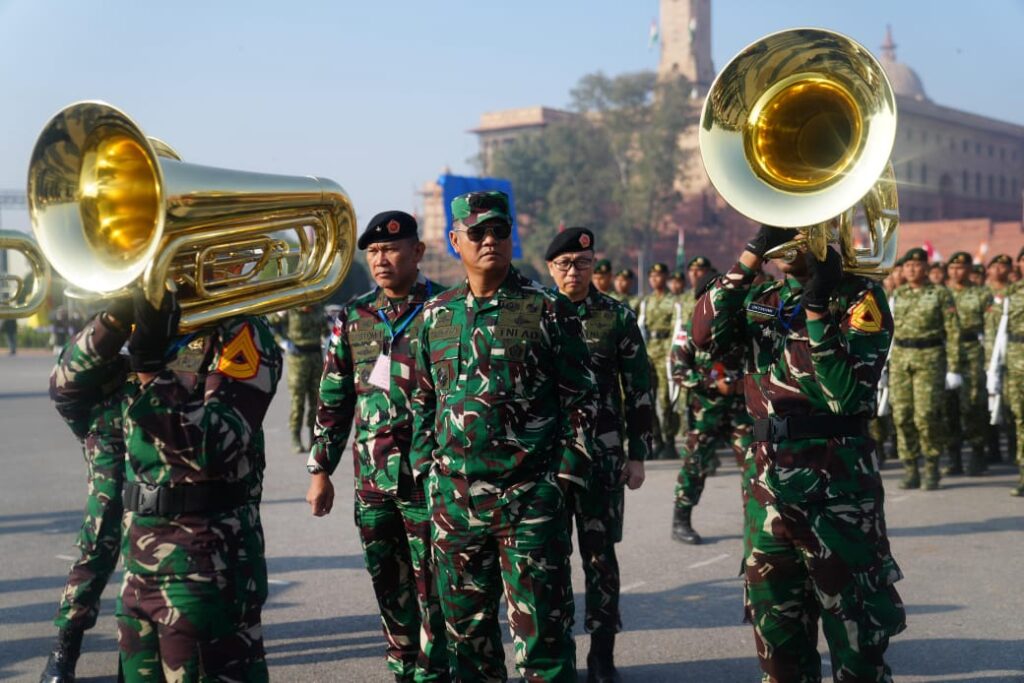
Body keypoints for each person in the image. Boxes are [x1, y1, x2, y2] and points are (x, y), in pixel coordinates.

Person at [692, 225, 906, 681]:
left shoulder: (858, 297)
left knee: (857, 652)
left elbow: (846, 397)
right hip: (768, 496)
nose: (790, 232)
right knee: (779, 652)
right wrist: (752, 250)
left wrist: (815, 309)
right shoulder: (761, 296)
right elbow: (702, 335)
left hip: (840, 496)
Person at [410, 190, 597, 682]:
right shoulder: (435, 316)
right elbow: (423, 402)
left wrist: (561, 483)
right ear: (455, 241)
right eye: (477, 232)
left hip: (529, 500)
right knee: (467, 642)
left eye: (500, 231)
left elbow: (582, 399)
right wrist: (427, 474)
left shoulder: (547, 308)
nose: (490, 240)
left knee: (543, 642)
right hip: (455, 507)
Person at [50, 288, 282, 681]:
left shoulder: (238, 329)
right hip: (141, 562)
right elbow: (64, 387)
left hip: (208, 564)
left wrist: (151, 369)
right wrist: (113, 320)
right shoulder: (142, 325)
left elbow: (213, 445)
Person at [305, 210, 449, 682]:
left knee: (435, 587)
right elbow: (334, 396)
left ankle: (435, 672)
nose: (381, 260)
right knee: (388, 585)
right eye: (372, 252)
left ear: (417, 252)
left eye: (390, 249)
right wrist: (320, 469)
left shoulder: (447, 309)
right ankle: (403, 669)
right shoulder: (355, 316)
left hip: (430, 481)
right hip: (373, 482)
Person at [544, 228, 653, 683]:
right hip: (544, 459)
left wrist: (638, 454)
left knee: (599, 560)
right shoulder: (534, 315)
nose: (574, 271)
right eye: (565, 264)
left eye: (583, 263)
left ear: (594, 266)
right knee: (545, 560)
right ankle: (552, 654)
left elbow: (640, 387)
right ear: (550, 268)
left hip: (602, 460)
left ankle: (602, 653)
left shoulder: (616, 317)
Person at [40, 393, 124, 683]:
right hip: (114, 428)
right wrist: (92, 428)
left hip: (172, 426)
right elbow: (66, 383)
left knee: (159, 540)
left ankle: (142, 649)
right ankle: (66, 645)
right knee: (100, 540)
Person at [670, 269, 752, 545]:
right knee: (695, 465)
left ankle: (756, 521)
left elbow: (760, 365)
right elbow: (679, 372)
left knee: (754, 465)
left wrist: (742, 383)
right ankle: (681, 520)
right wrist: (713, 384)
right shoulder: (688, 332)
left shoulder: (743, 328)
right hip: (704, 412)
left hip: (741, 410)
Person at [890, 247, 962, 490]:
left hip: (930, 358)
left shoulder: (940, 294)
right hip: (901, 359)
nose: (911, 269)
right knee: (902, 416)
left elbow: (952, 331)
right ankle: (910, 468)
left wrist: (954, 367)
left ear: (926, 268)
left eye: (917, 265)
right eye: (907, 265)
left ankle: (931, 466)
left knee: (926, 416)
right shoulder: (898, 294)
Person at [944, 251, 992, 476]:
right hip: (945, 353)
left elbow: (990, 328)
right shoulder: (942, 294)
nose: (956, 272)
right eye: (952, 268)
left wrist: (990, 360)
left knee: (973, 403)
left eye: (961, 268)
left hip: (972, 352)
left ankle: (977, 452)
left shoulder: (982, 294)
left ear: (970, 270)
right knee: (949, 406)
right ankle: (954, 457)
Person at [271, 304, 328, 452]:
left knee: (316, 401)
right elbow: (272, 325)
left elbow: (325, 331)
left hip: (316, 358)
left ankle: (313, 438)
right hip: (297, 359)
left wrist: (328, 337)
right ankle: (296, 438)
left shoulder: (319, 309)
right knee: (298, 400)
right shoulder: (290, 310)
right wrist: (283, 342)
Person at [639, 263, 679, 459]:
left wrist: (673, 354)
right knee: (648, 398)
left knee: (664, 401)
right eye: (652, 275)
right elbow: (640, 327)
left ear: (666, 277)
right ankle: (657, 440)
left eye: (659, 275)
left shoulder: (673, 301)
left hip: (666, 352)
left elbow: (676, 328)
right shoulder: (646, 301)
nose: (655, 279)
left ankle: (670, 441)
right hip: (649, 352)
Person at [986, 254, 1016, 464]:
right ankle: (993, 449)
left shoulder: (1014, 292)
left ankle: (1015, 451)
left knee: (1012, 407)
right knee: (988, 405)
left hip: (1012, 353)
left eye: (1003, 266)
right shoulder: (983, 293)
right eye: (995, 265)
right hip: (988, 353)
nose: (999, 269)